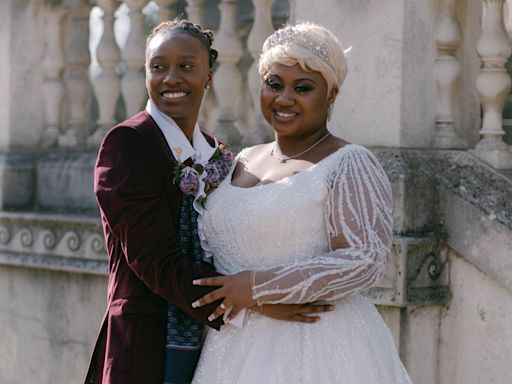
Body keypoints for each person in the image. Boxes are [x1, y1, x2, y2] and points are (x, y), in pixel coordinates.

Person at [84, 19, 331, 384]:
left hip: (216, 345)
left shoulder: (217, 155)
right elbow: (155, 262)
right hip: (150, 346)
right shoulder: (128, 143)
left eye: (186, 66)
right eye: (159, 67)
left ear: (209, 75)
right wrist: (254, 301)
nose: (171, 78)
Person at [191, 22, 413, 383]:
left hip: (316, 347)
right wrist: (246, 299)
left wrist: (259, 288)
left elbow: (364, 259)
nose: (284, 99)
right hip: (228, 349)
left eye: (303, 88)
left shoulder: (349, 162)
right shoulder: (239, 159)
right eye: (274, 84)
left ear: (332, 94)